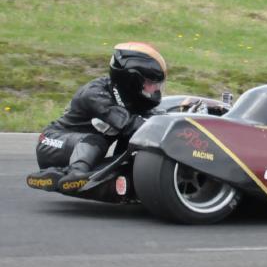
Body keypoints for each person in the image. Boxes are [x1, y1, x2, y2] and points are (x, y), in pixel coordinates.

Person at [30, 42, 168, 191]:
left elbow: (145, 125)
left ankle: (64, 174)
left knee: (134, 138)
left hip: (83, 150)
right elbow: (128, 123)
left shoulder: (133, 100)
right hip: (52, 142)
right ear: (131, 80)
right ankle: (75, 173)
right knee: (98, 139)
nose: (155, 89)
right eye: (150, 83)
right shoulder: (95, 93)